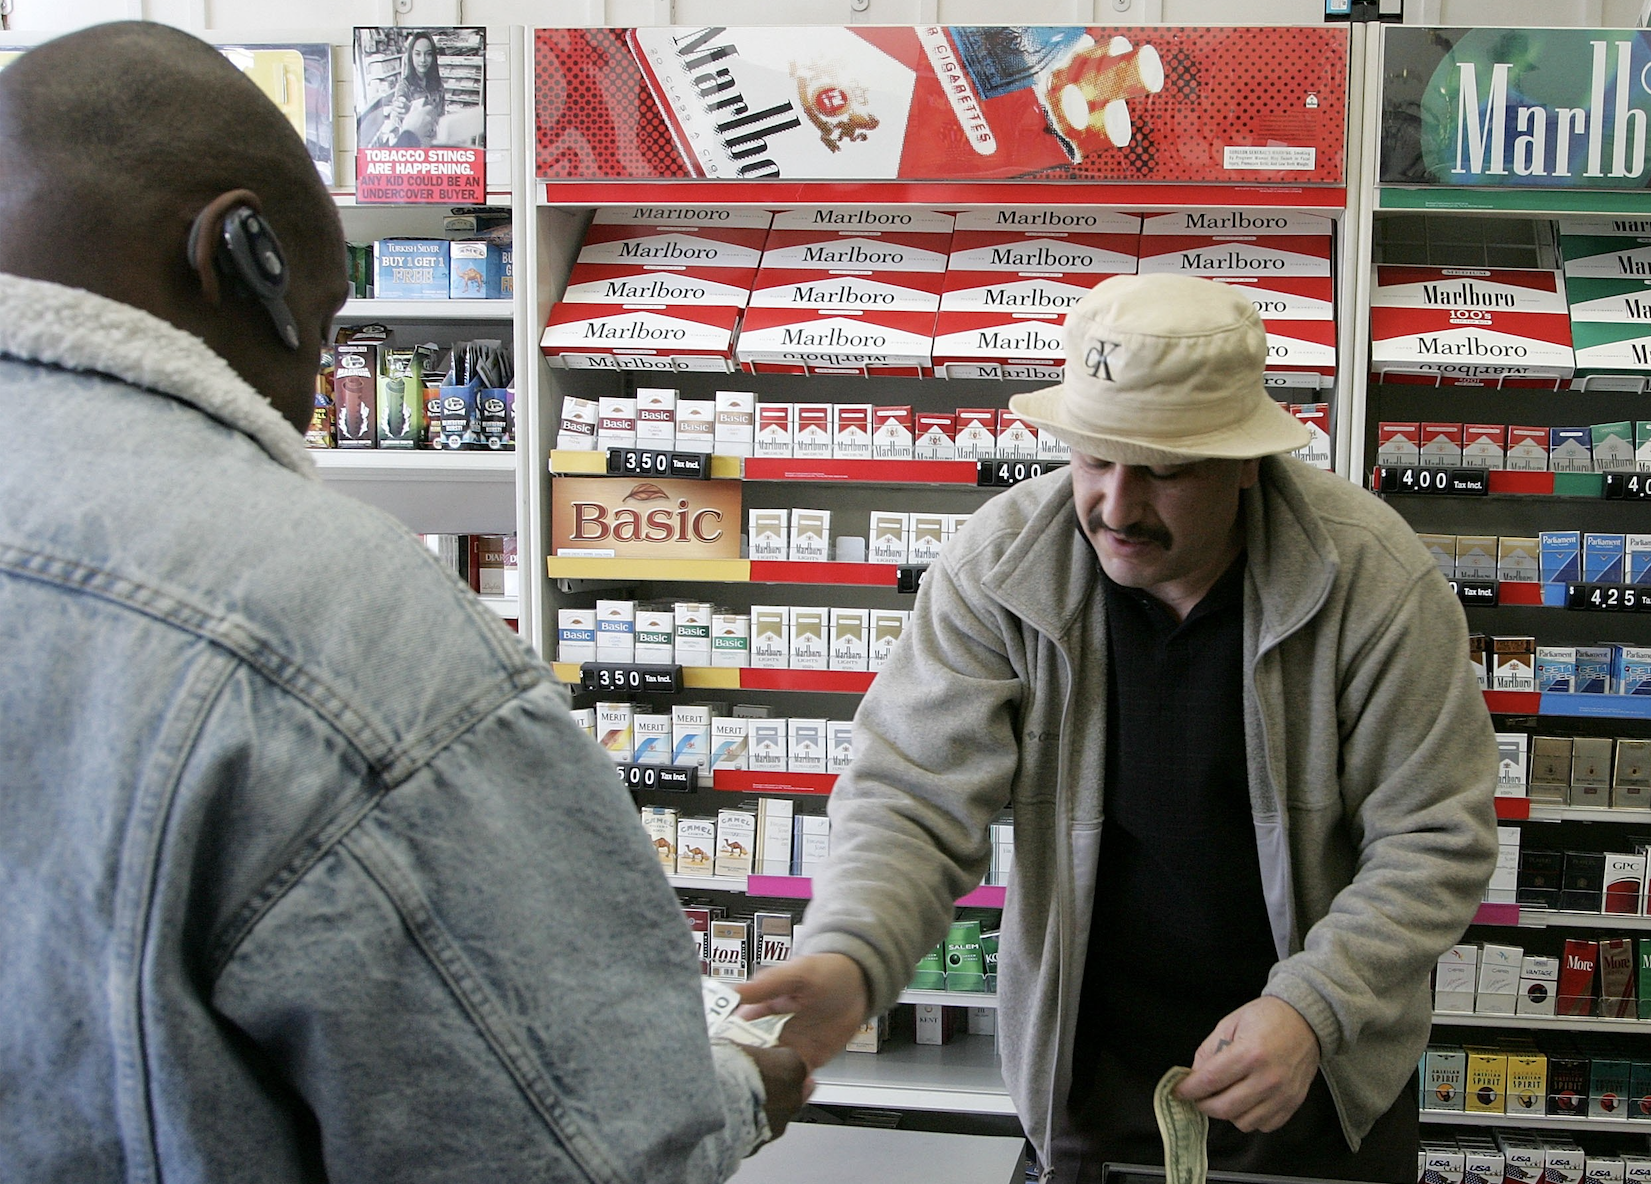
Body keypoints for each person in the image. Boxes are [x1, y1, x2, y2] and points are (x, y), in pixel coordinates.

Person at [0, 22, 804, 1181]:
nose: (315, 399)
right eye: (321, 335)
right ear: (241, 253)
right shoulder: (330, 622)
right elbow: (575, 1142)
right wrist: (735, 1089)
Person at [740, 273, 1498, 1183]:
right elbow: (912, 794)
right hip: (1082, 1080)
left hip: (1316, 1080)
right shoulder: (1000, 566)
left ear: (1245, 459)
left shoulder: (1371, 578)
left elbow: (1434, 837)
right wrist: (851, 953)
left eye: (1165, 471)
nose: (1115, 505)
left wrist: (1313, 1008)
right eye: (1094, 459)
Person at [374, 31, 445, 148]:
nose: (423, 60)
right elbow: (397, 114)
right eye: (418, 54)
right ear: (411, 56)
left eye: (428, 54)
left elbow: (442, 117)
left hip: (434, 145)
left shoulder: (438, 85)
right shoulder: (404, 85)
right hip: (414, 147)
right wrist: (400, 109)